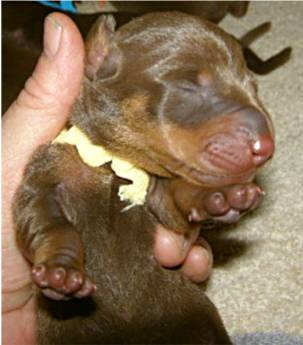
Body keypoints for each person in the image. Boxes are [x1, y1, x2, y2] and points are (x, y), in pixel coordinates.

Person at [2, 13, 213, 345]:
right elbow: (38, 209)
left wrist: (202, 198)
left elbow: (170, 207)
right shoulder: (58, 156)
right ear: (98, 60)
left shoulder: (149, 163)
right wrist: (59, 254)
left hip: (175, 314)